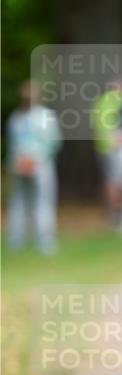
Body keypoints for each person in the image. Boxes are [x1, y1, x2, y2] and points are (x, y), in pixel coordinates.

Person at [6, 80, 62, 255]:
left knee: (21, 203)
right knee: (39, 202)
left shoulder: (15, 118)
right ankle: (42, 242)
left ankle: (20, 242)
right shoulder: (40, 116)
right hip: (36, 166)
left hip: (30, 164)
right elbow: (53, 142)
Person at [91, 80, 122, 236]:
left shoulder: (101, 101)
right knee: (116, 182)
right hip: (114, 148)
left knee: (111, 181)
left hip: (105, 146)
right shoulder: (116, 100)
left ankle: (114, 213)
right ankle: (116, 214)